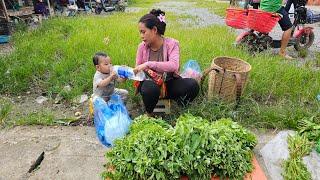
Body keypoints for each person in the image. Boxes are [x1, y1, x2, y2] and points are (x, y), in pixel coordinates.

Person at [133, 9, 199, 116]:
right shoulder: (142, 47)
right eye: (140, 32)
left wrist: (148, 64)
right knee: (149, 89)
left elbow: (173, 65)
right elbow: (138, 70)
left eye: (143, 32)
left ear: (154, 30)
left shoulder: (172, 44)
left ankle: (175, 105)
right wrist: (127, 73)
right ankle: (150, 112)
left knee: (192, 85)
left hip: (168, 82)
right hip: (150, 83)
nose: (141, 36)